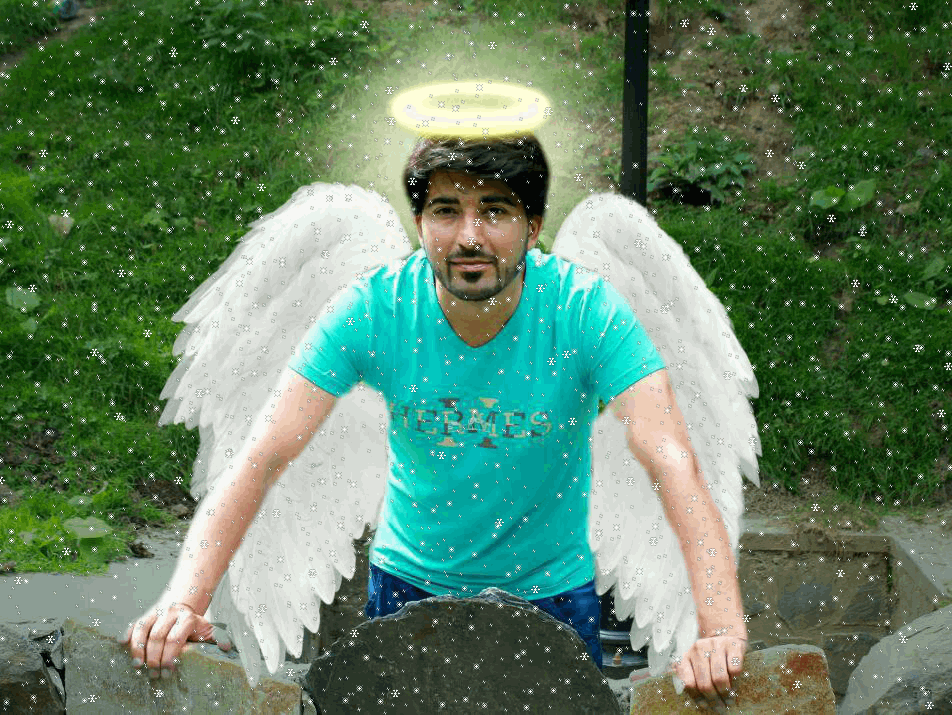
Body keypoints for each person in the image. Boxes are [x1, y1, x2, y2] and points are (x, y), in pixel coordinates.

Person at [121, 135, 747, 710]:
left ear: (532, 228)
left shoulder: (586, 312)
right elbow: (263, 455)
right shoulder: (374, 308)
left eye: (495, 211)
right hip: (406, 597)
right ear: (420, 224)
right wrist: (186, 600)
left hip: (551, 602)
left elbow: (670, 457)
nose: (469, 236)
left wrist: (719, 627)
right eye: (447, 211)